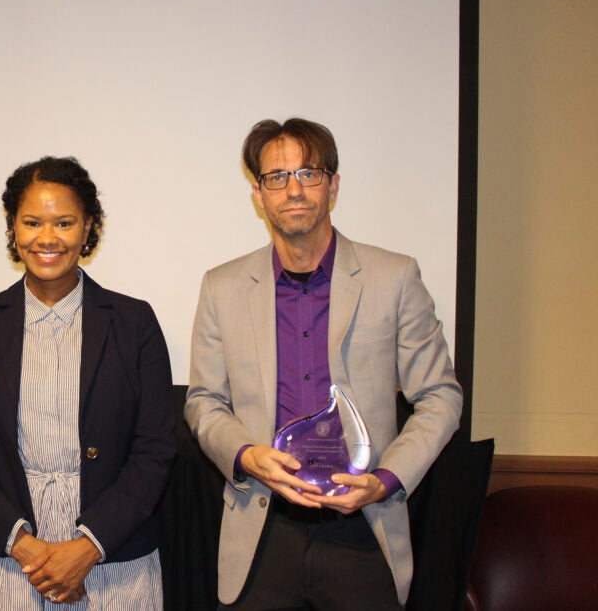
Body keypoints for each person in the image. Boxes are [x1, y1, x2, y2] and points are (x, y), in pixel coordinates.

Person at [184, 118, 463, 610]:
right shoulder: (221, 287)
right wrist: (246, 455)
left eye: (308, 173)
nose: (294, 189)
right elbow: (204, 402)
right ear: (258, 194)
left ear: (332, 186)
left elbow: (440, 397)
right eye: (277, 177)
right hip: (261, 534)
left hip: (364, 533)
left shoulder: (394, 277)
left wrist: (385, 481)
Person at [0, 156, 176, 609]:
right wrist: (25, 545)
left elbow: (155, 449)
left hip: (111, 560)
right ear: (13, 229)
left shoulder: (133, 323)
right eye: (31, 223)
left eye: (64, 222)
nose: (47, 238)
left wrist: (87, 546)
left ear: (88, 228)